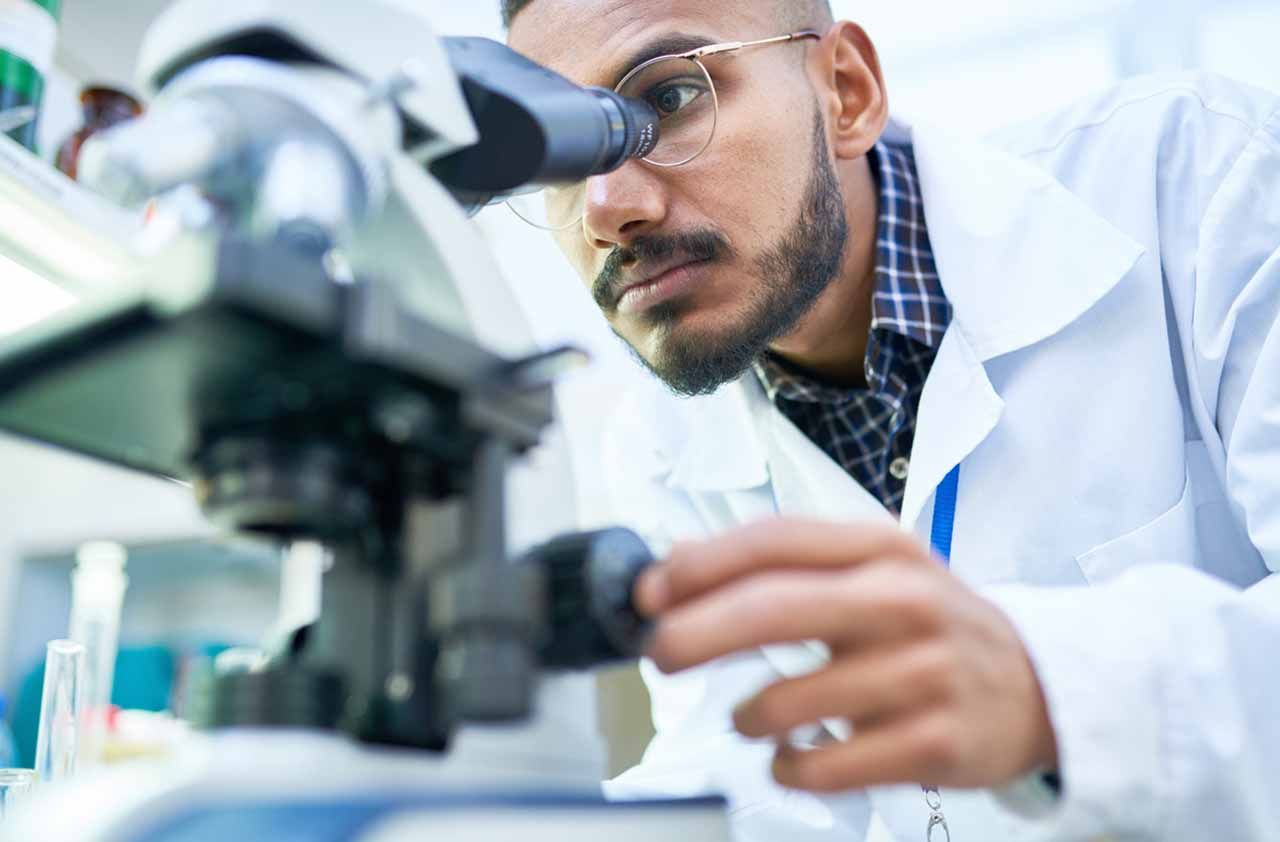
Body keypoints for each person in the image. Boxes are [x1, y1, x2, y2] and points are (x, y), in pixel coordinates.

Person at [503, 1, 1280, 840]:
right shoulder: (660, 449)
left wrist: (1061, 694)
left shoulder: (1200, 180)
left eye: (666, 100)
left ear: (846, 91)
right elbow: (753, 793)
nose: (606, 209)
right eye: (562, 157)